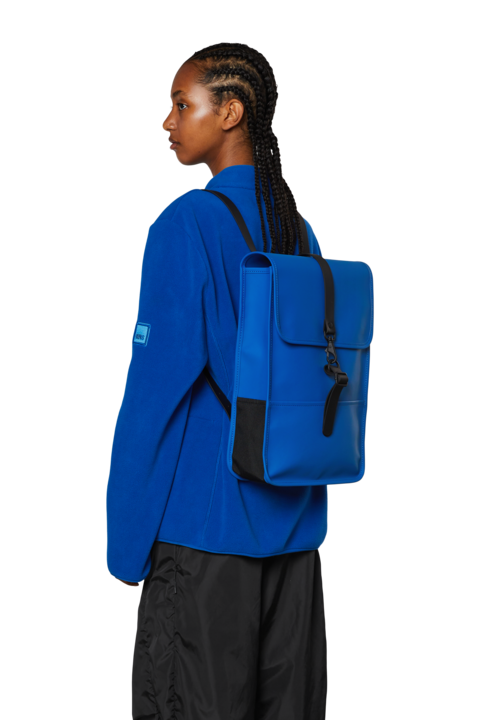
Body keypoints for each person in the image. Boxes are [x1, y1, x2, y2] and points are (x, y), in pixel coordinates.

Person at [105, 41, 328, 719]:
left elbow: (153, 398)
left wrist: (125, 546)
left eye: (181, 104)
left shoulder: (187, 223)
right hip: (295, 542)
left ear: (230, 111)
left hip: (203, 543)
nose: (167, 121)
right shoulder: (299, 230)